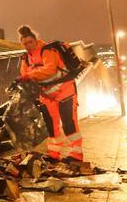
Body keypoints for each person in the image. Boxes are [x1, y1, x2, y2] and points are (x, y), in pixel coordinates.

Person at [17, 25, 83, 161]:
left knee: (69, 123)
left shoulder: (48, 50)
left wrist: (30, 75)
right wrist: (28, 76)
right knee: (51, 127)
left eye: (30, 42)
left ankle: (76, 155)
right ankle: (54, 153)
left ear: (36, 40)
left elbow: (50, 69)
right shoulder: (25, 58)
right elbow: (24, 74)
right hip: (46, 95)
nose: (28, 46)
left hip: (65, 91)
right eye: (24, 44)